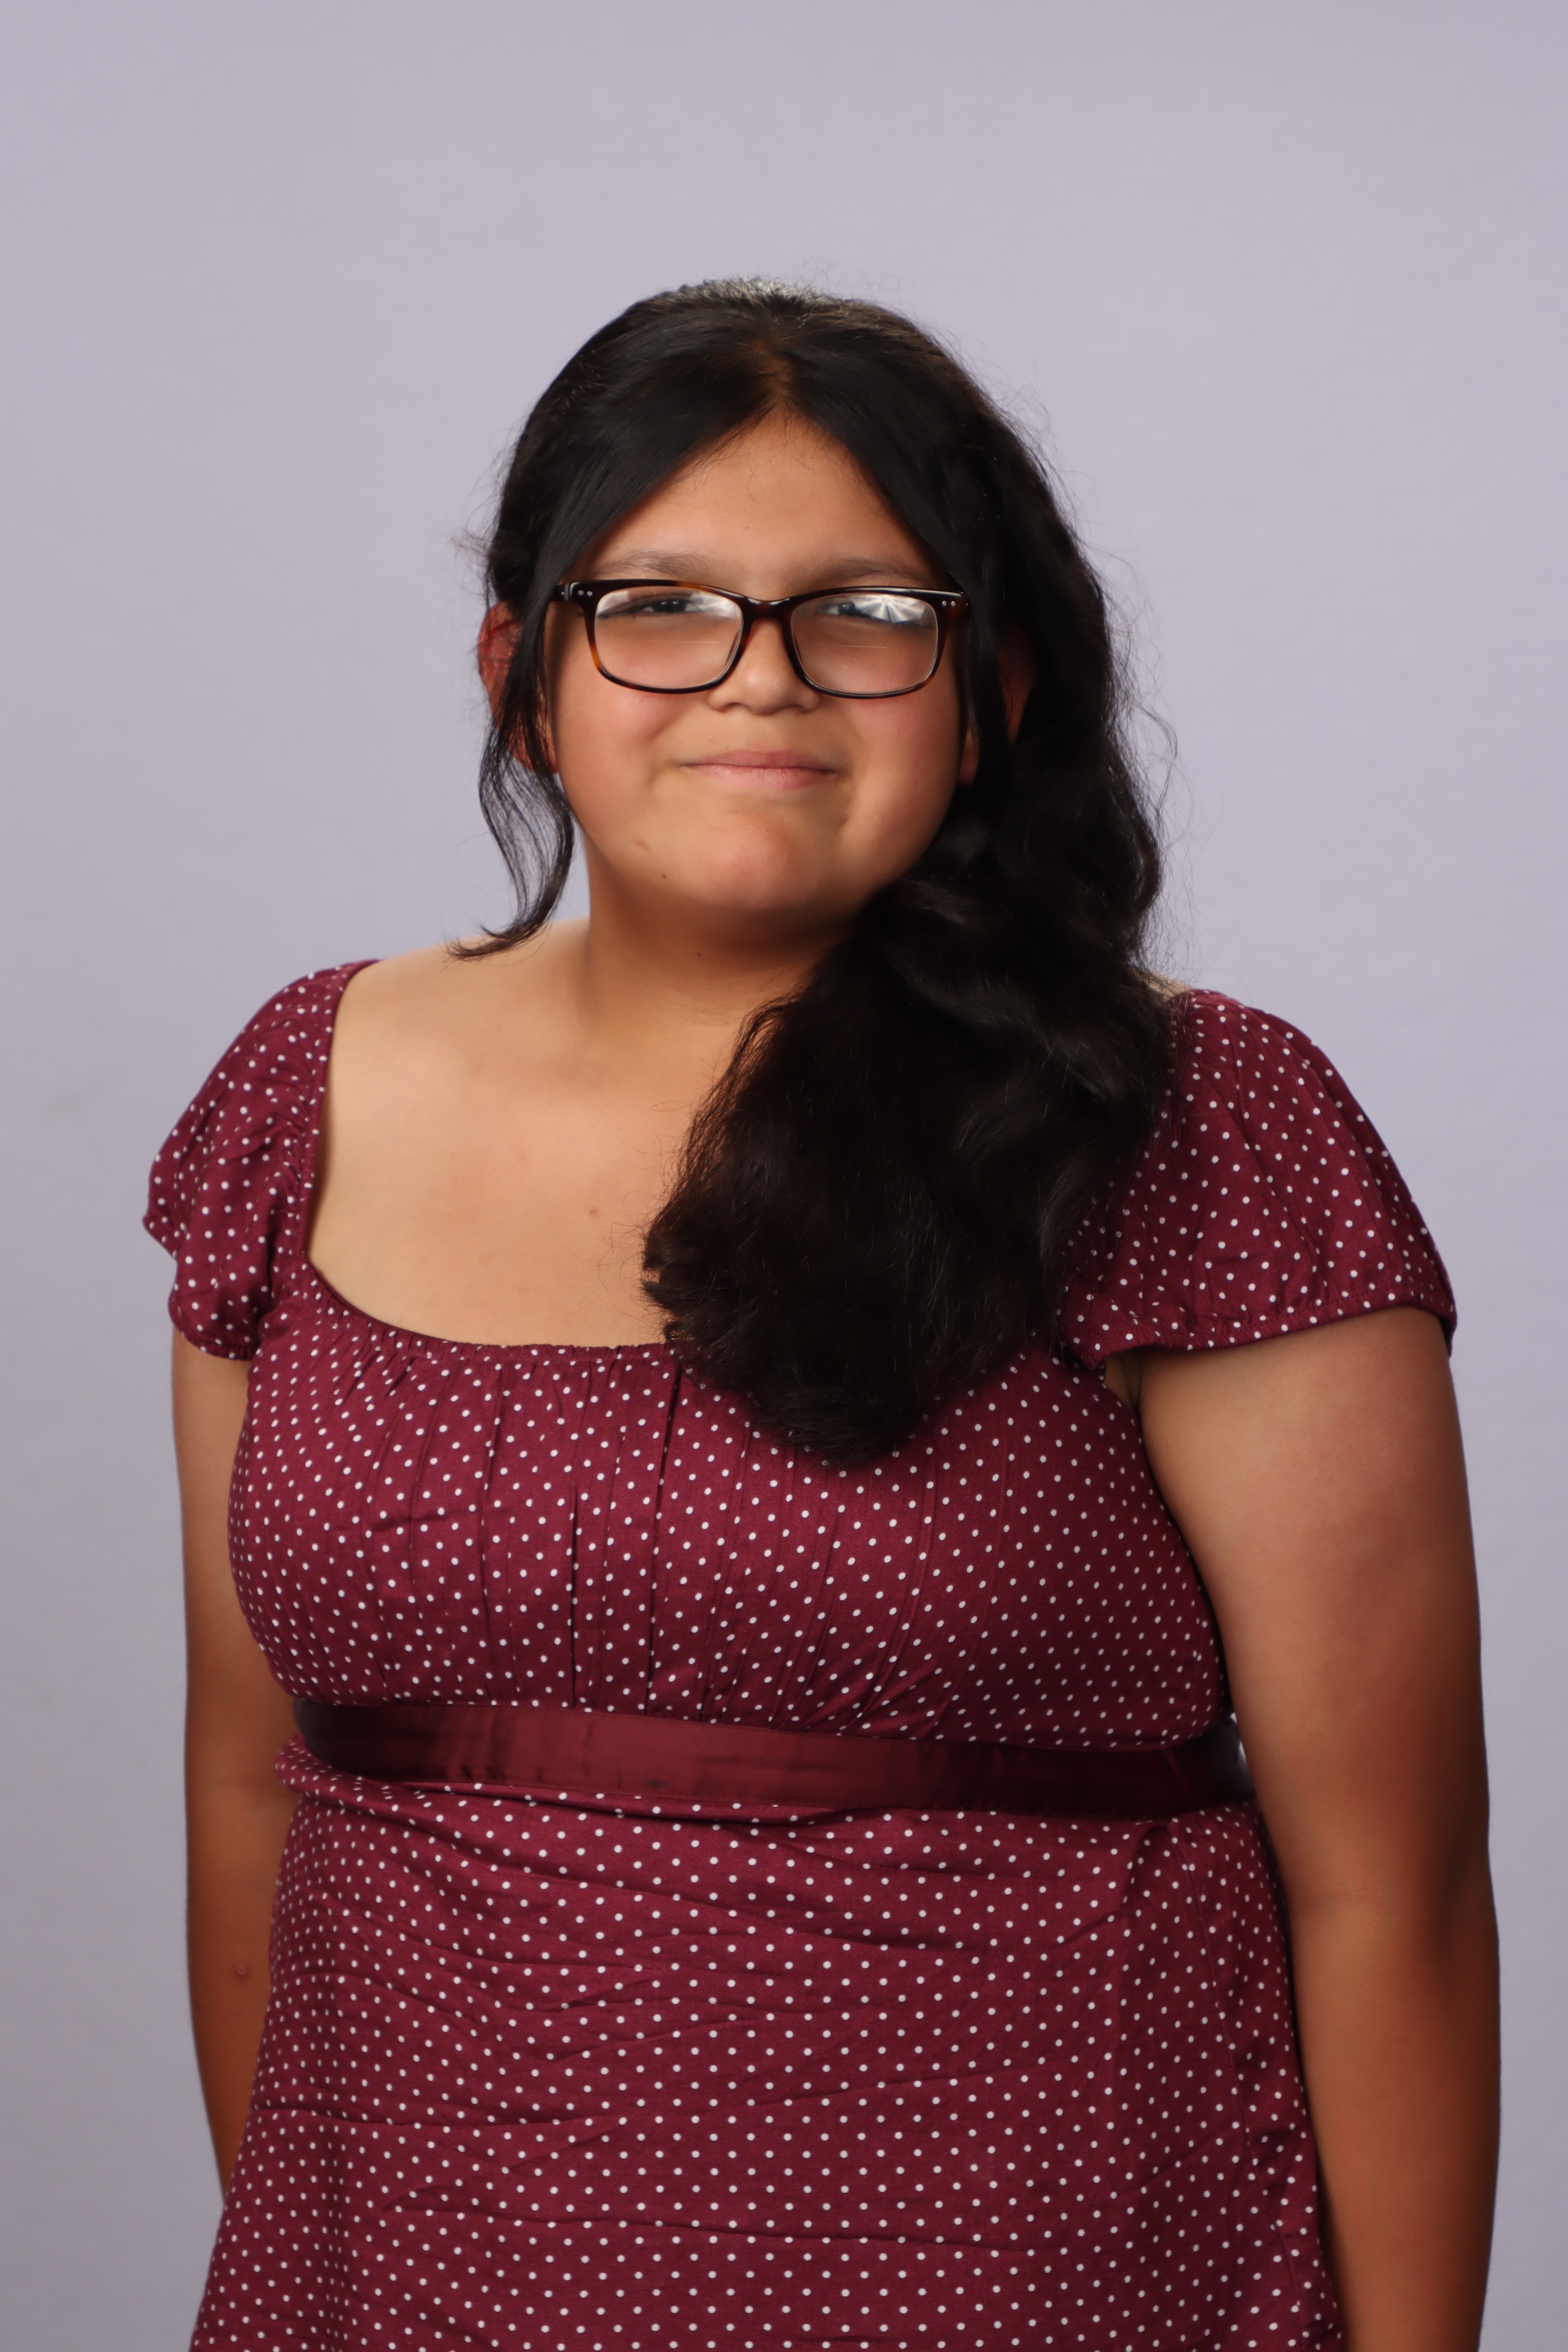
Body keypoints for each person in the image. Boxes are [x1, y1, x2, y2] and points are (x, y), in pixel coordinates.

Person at [148, 280, 1496, 2352]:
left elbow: (1390, 1894)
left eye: (866, 614)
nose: (758, 680)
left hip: (1050, 2287)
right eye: (658, 607)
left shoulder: (1194, 1126)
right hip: (412, 2282)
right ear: (522, 678)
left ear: (993, 686)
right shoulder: (298, 1096)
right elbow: (248, 1788)